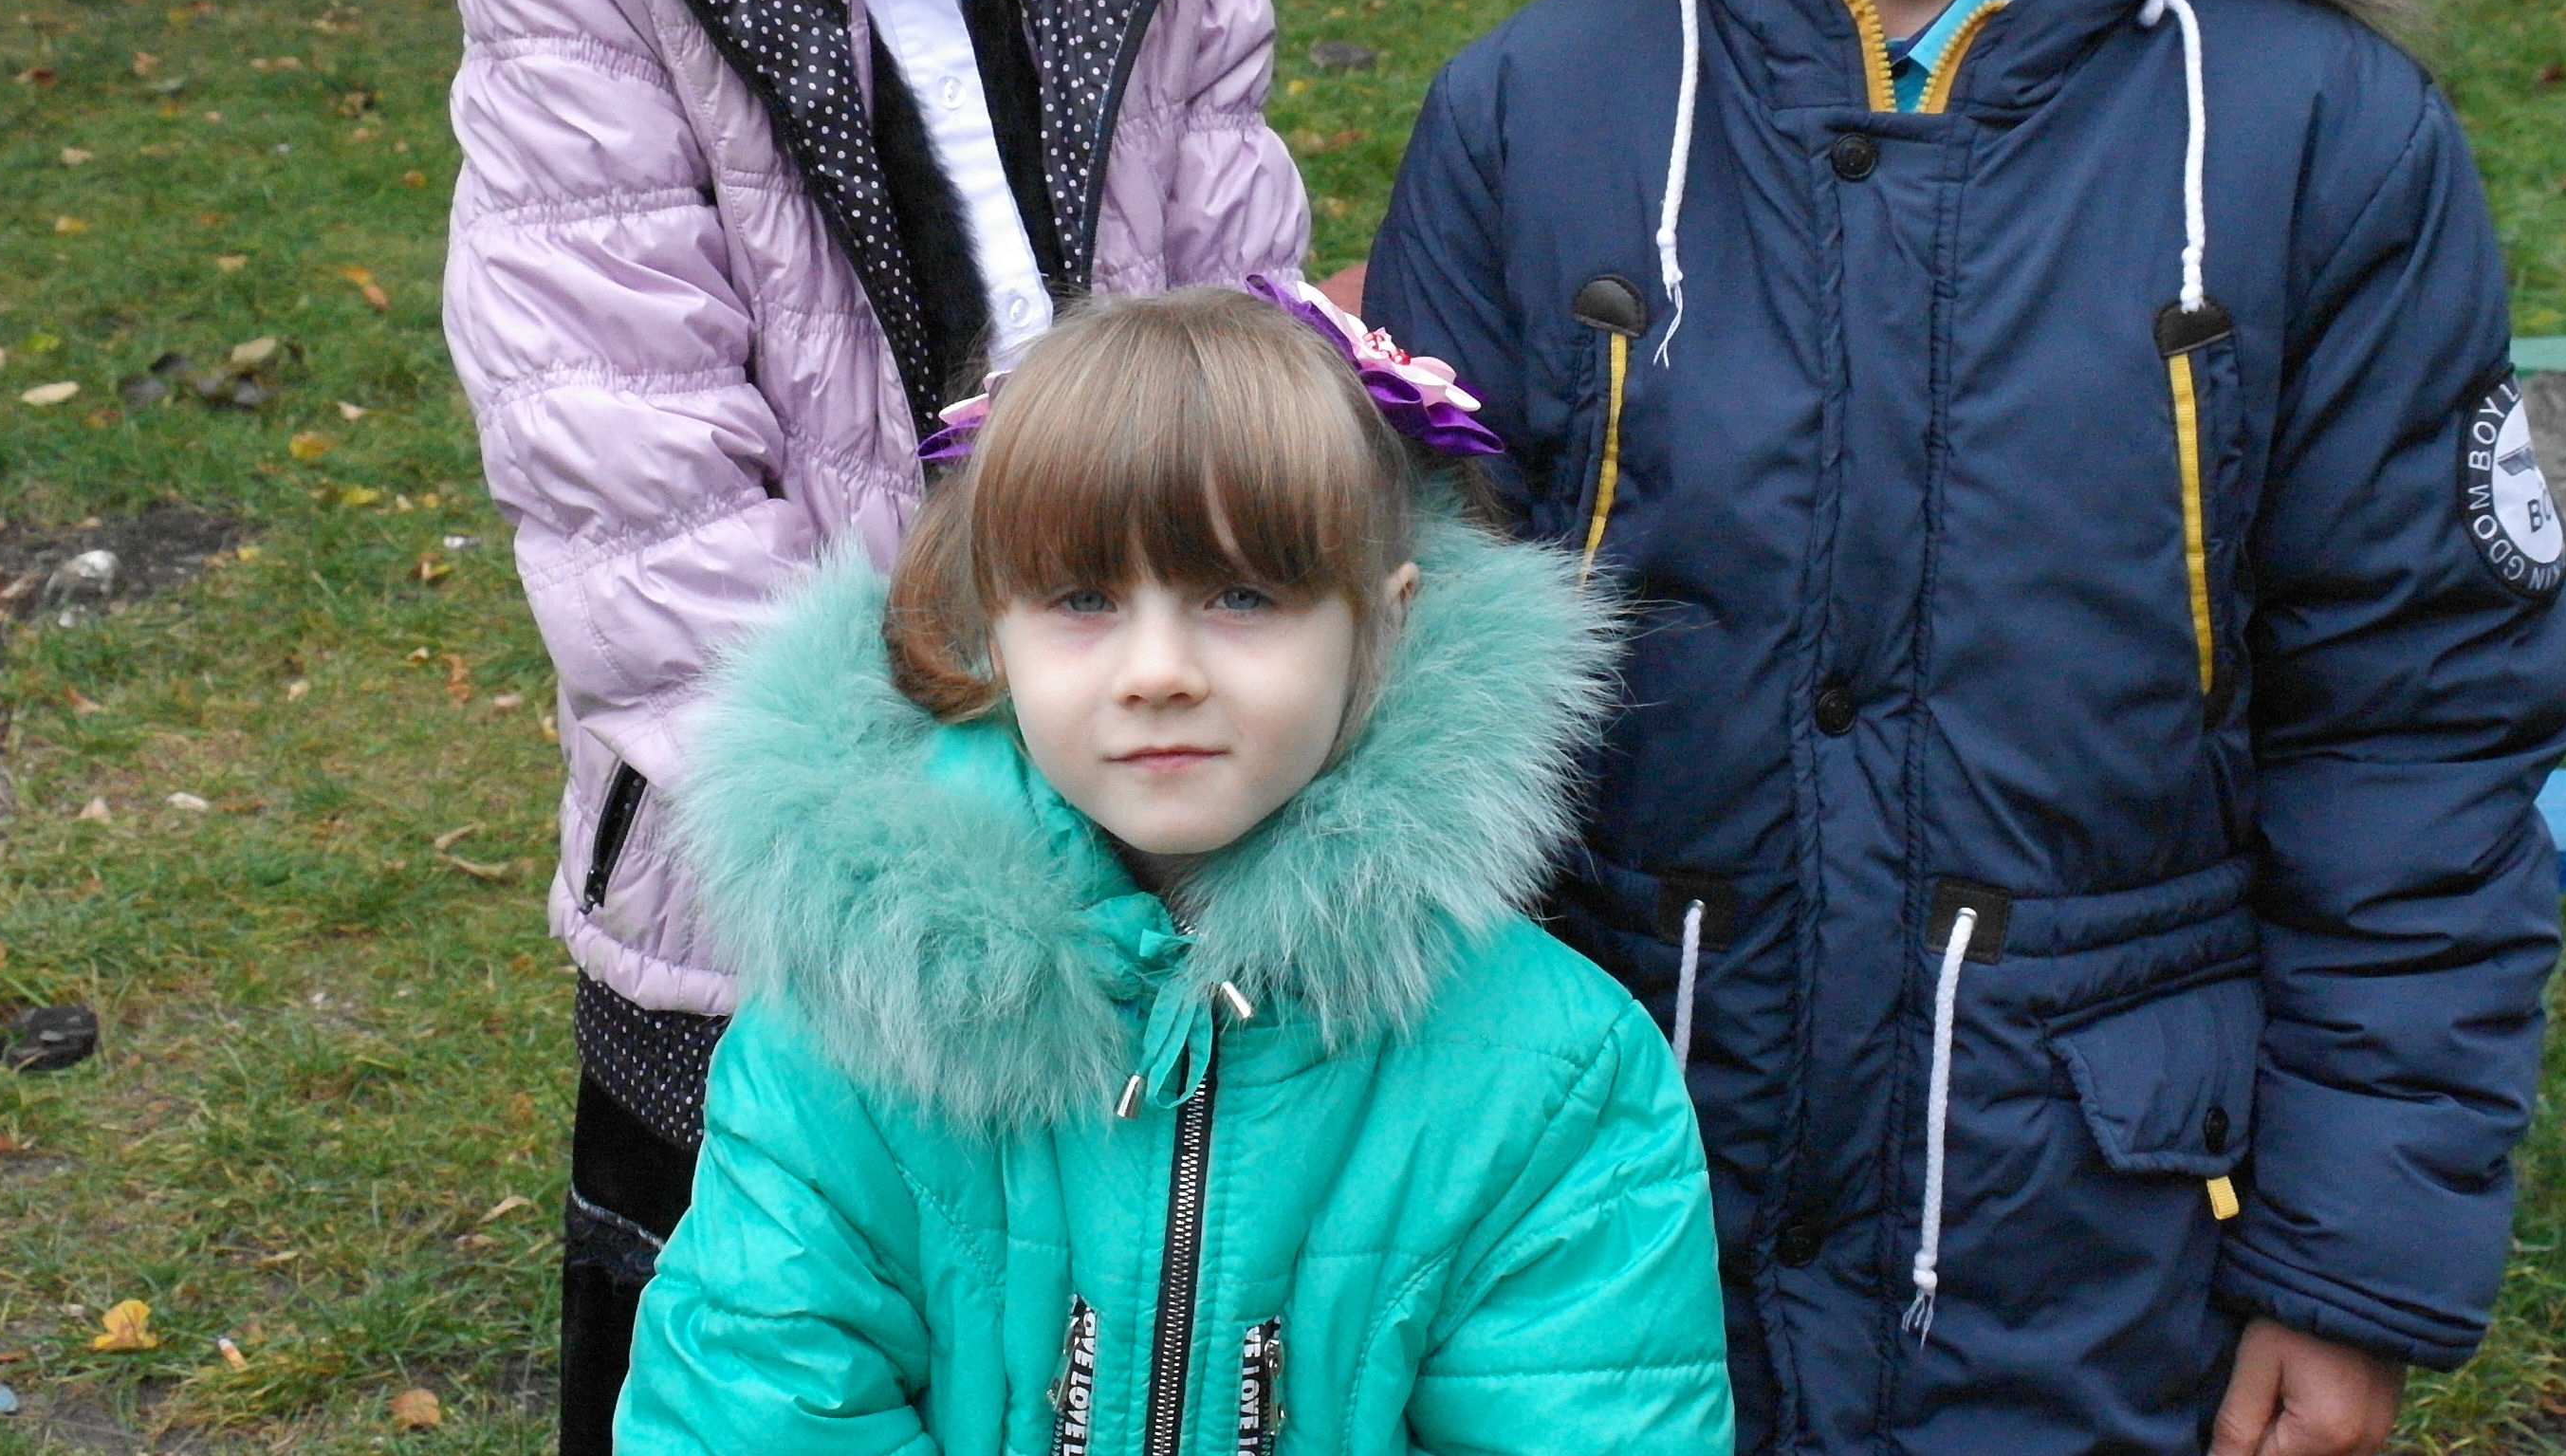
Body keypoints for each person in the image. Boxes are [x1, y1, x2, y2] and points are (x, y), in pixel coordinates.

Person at [1365, 0, 2566, 1456]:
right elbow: (1406, 699)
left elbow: (2416, 726)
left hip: (2097, 1244)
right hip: (1612, 1209)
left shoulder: (2313, 136)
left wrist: (2344, 1264)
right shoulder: (1539, 116)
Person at [426, 0, 1309, 1455]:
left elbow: (1238, 315)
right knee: (802, 1382)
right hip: (790, 898)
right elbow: (638, 498)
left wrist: (1213, 725)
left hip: (1174, 793)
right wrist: (972, 869)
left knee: (1122, 1365)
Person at [616, 281, 1734, 1454]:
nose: (1157, 671)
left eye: (1241, 594)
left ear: (1385, 622)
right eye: (1082, 597)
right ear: (991, 626)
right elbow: (751, 1407)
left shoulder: (1554, 1076)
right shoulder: (852, 1023)